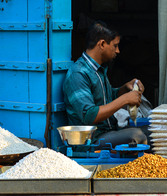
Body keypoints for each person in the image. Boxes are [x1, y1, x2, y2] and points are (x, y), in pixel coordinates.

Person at [63, 21, 150, 150]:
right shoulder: (78, 74)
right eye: (115, 46)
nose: (118, 51)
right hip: (90, 140)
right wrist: (125, 99)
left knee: (152, 130)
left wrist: (124, 90)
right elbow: (89, 116)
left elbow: (105, 99)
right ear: (102, 44)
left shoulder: (99, 70)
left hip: (109, 132)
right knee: (137, 136)